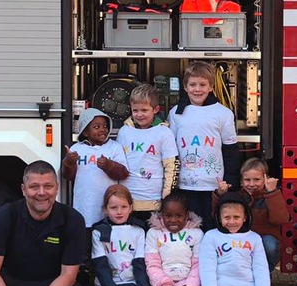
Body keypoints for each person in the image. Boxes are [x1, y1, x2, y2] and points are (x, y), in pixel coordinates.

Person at [168, 61, 239, 231]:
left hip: (213, 185)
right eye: (192, 84)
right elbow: (170, 150)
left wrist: (230, 181)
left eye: (202, 84)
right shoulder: (176, 113)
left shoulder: (223, 113)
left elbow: (230, 150)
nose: (197, 89)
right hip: (185, 184)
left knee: (211, 225)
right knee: (189, 228)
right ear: (185, 87)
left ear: (211, 87)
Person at [118, 84, 180, 224]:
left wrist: (167, 197)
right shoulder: (124, 132)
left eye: (144, 110)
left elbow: (172, 166)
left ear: (156, 109)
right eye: (135, 110)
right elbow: (118, 163)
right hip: (127, 200)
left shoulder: (164, 133)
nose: (139, 114)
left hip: (154, 201)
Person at [214, 157, 290, 272]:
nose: (252, 184)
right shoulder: (237, 197)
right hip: (240, 238)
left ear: (266, 179)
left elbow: (280, 219)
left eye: (257, 179)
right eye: (247, 180)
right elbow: (217, 216)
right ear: (241, 181)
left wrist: (272, 193)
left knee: (270, 246)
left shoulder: (271, 196)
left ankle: (264, 274)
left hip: (264, 238)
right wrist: (221, 195)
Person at [62, 108, 129, 227]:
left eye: (105, 126)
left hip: (109, 209)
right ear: (85, 132)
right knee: (85, 239)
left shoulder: (114, 147)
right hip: (84, 207)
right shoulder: (77, 148)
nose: (103, 129)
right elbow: (68, 176)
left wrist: (109, 165)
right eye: (97, 127)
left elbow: (123, 173)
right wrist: (69, 162)